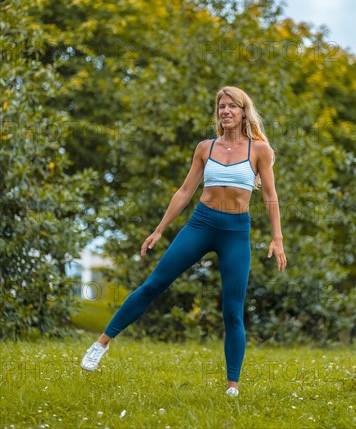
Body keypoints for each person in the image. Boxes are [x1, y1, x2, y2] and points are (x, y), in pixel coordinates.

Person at [81, 85, 287, 396]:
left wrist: (277, 238)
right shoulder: (205, 147)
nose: (226, 111)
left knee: (233, 310)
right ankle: (101, 343)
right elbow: (184, 192)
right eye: (222, 107)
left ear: (244, 111)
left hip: (236, 232)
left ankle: (233, 386)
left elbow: (270, 196)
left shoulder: (259, 150)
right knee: (153, 284)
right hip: (201, 224)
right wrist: (160, 229)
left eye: (233, 106)